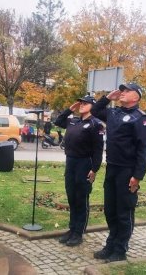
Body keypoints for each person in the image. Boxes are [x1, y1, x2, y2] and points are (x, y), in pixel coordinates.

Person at [91, 83, 146, 262]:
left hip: (127, 171)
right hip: (112, 168)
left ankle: (120, 249)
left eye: (126, 90)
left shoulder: (141, 118)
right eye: (122, 90)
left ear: (136, 96)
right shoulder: (114, 113)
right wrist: (108, 97)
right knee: (110, 209)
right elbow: (95, 110)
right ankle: (111, 244)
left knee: (124, 211)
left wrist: (137, 176)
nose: (122, 93)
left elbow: (144, 149)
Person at [54, 95, 104, 247]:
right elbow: (58, 121)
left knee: (81, 199)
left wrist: (94, 169)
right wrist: (71, 108)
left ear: (92, 106)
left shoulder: (96, 124)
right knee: (71, 197)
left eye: (85, 103)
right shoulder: (73, 120)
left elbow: (98, 150)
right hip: (71, 162)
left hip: (85, 163)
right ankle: (72, 229)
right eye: (80, 103)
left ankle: (78, 233)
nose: (81, 105)